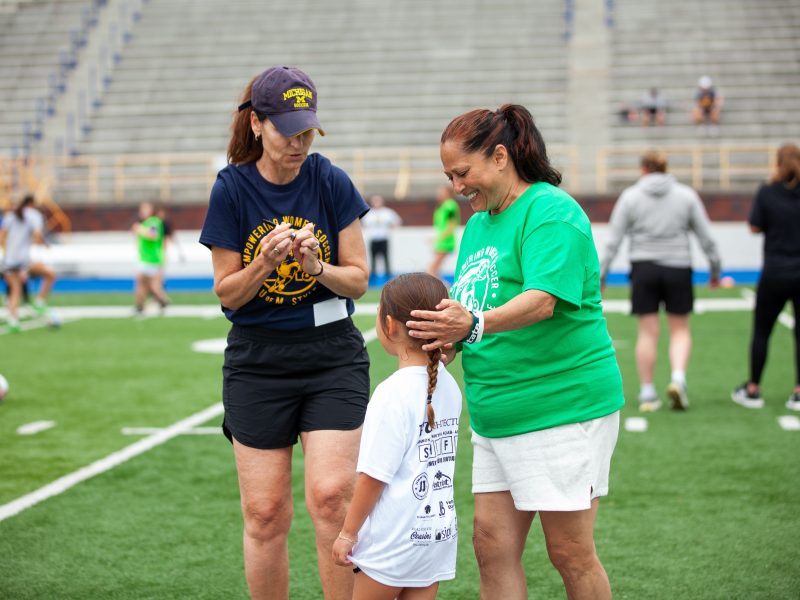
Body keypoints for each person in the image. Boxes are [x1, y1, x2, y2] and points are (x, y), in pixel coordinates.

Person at [407, 104, 624, 600]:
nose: (457, 186)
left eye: (462, 172)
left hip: (560, 406)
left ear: (501, 156)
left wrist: (473, 324)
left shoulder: (551, 211)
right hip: (496, 414)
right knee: (491, 546)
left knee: (570, 553)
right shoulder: (478, 225)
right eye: (449, 176)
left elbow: (544, 299)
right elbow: (474, 306)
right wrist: (449, 339)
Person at [198, 66, 370, 600]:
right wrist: (263, 265)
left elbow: (358, 280)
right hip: (258, 361)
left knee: (332, 498)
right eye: (287, 131)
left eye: (307, 132)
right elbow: (228, 293)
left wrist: (317, 268)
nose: (299, 144)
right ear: (256, 124)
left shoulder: (330, 180)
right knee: (265, 512)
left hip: (332, 356)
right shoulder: (231, 188)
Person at [332, 272, 462, 600]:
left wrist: (348, 533)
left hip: (392, 542)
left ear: (389, 326)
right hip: (436, 538)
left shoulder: (391, 394)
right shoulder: (448, 384)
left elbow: (374, 477)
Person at [600, 150, 721, 411]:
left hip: (644, 268)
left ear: (643, 169)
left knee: (648, 332)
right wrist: (715, 269)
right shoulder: (686, 195)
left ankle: (647, 392)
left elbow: (613, 240)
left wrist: (602, 273)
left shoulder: (630, 196)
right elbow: (706, 237)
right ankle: (678, 379)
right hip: (678, 266)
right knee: (680, 330)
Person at [731, 143, 800, 411]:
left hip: (775, 270)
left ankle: (753, 388)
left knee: (762, 330)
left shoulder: (768, 191)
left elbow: (754, 226)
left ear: (778, 163)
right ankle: (798, 391)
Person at [0, 194, 56, 333]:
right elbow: (37, 236)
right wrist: (44, 244)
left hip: (8, 260)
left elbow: (1, 237)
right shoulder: (34, 215)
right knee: (51, 274)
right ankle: (39, 302)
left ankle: (13, 322)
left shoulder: (10, 216)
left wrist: (7, 251)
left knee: (15, 290)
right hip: (23, 261)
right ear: (32, 203)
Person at [131, 201, 170, 315]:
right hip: (148, 259)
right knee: (150, 285)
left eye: (146, 209)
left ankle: (141, 305)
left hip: (151, 259)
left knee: (143, 285)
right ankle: (160, 301)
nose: (142, 211)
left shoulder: (153, 221)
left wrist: (139, 229)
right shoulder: (146, 223)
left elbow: (153, 234)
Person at [361, 194, 401, 279]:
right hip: (373, 239)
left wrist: (390, 228)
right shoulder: (369, 213)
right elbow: (363, 224)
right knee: (373, 259)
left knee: (386, 258)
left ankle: (388, 277)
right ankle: (373, 278)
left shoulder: (388, 212)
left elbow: (397, 222)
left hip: (384, 239)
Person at [427, 184, 460, 278]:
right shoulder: (442, 206)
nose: (439, 194)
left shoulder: (450, 206)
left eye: (442, 192)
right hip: (442, 241)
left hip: (446, 242)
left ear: (448, 193)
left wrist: (438, 239)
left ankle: (442, 287)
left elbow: (451, 225)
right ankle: (444, 286)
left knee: (431, 269)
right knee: (434, 270)